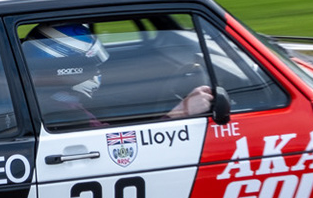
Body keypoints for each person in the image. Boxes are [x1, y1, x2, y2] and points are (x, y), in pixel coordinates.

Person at [22, 22, 210, 126]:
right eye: (89, 65)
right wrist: (181, 112)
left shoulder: (51, 100)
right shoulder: (65, 115)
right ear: (65, 67)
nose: (97, 71)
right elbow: (125, 154)